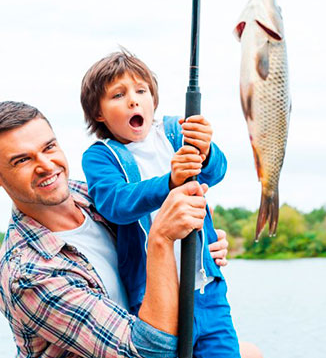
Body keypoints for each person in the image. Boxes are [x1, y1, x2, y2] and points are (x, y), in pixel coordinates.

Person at [0, 101, 236, 358]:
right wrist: (162, 239)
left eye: (49, 147)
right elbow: (149, 352)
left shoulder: (96, 196)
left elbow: (152, 212)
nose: (46, 165)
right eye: (21, 160)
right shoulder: (28, 275)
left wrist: (198, 244)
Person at [80, 50, 240, 358]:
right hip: (155, 296)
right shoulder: (100, 156)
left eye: (141, 91)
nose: (133, 100)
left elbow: (215, 172)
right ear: (98, 112)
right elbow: (116, 202)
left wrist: (206, 149)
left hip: (207, 288)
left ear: (154, 98)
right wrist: (170, 182)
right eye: (118, 95)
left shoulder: (174, 132)